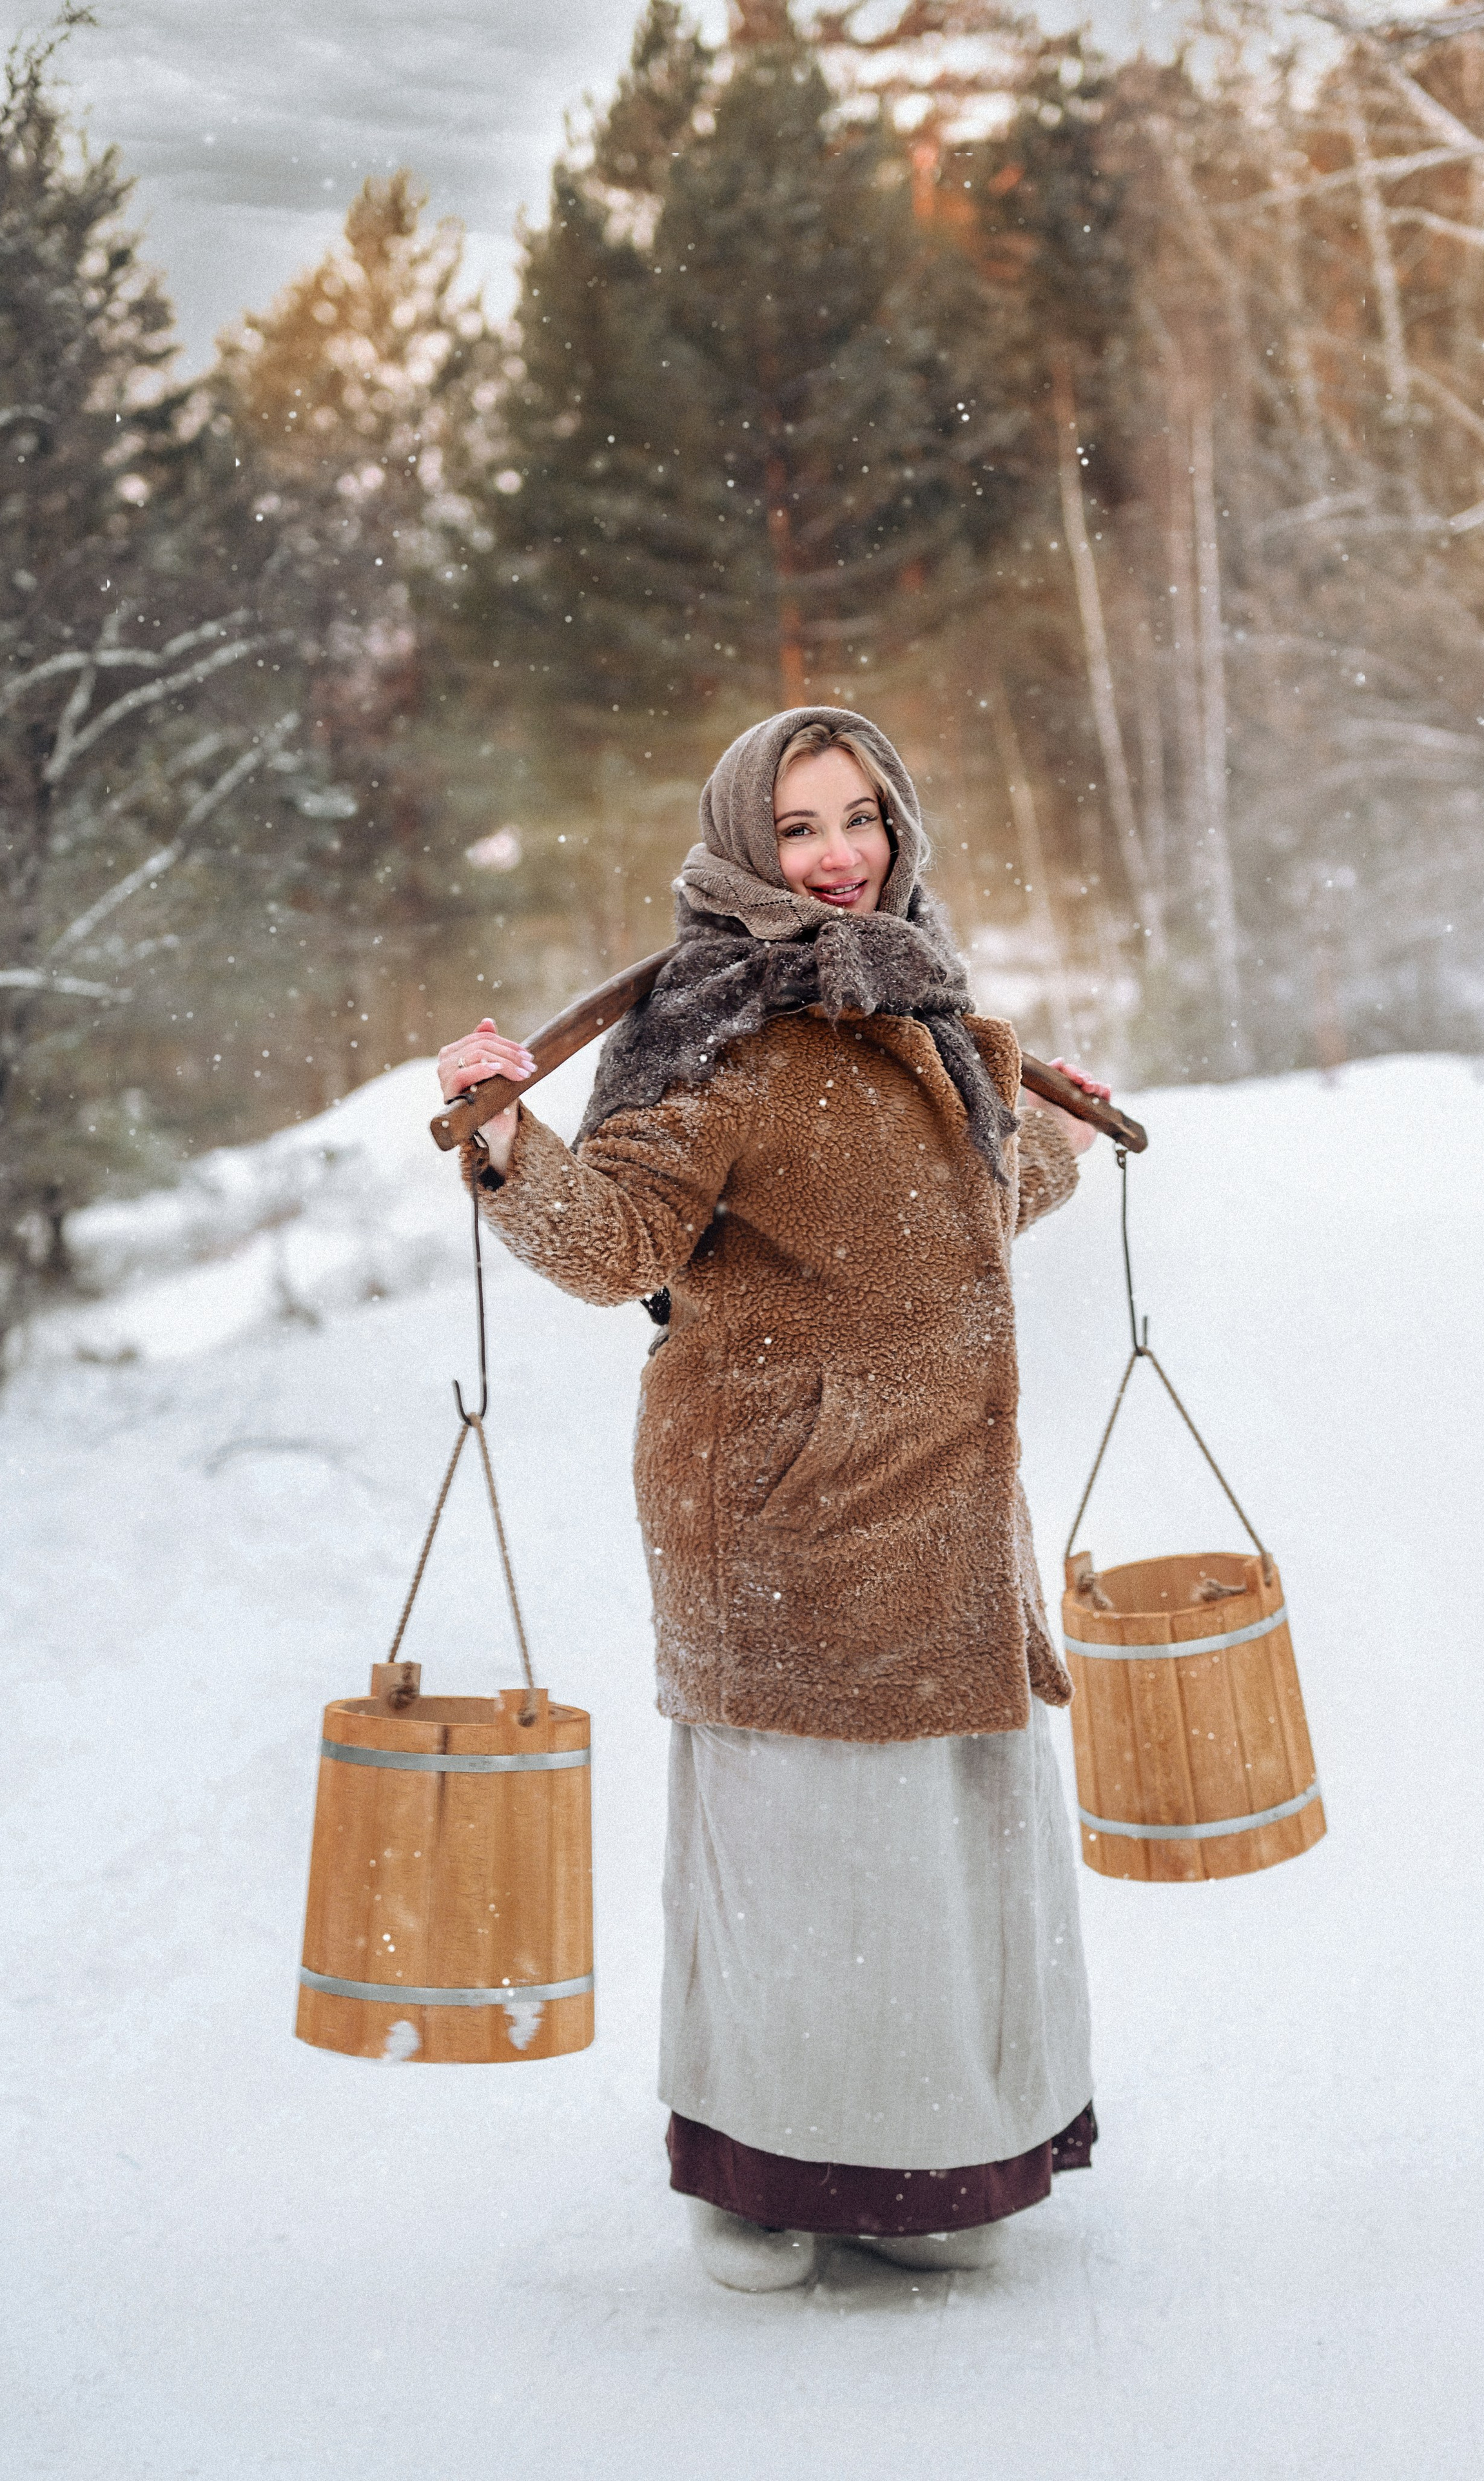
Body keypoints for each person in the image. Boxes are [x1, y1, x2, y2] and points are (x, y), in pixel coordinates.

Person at [438, 707, 1109, 2290]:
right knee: (811, 1872)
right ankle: (759, 2186)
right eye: (799, 826)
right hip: (790, 1525)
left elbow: (957, 1218)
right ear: (745, 845)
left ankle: (932, 2171)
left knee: (938, 1867)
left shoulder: (925, 1006)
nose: (838, 854)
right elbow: (612, 1249)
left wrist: (1056, 1134)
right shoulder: (716, 1034)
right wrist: (507, 1144)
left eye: (861, 814)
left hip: (945, 1515)